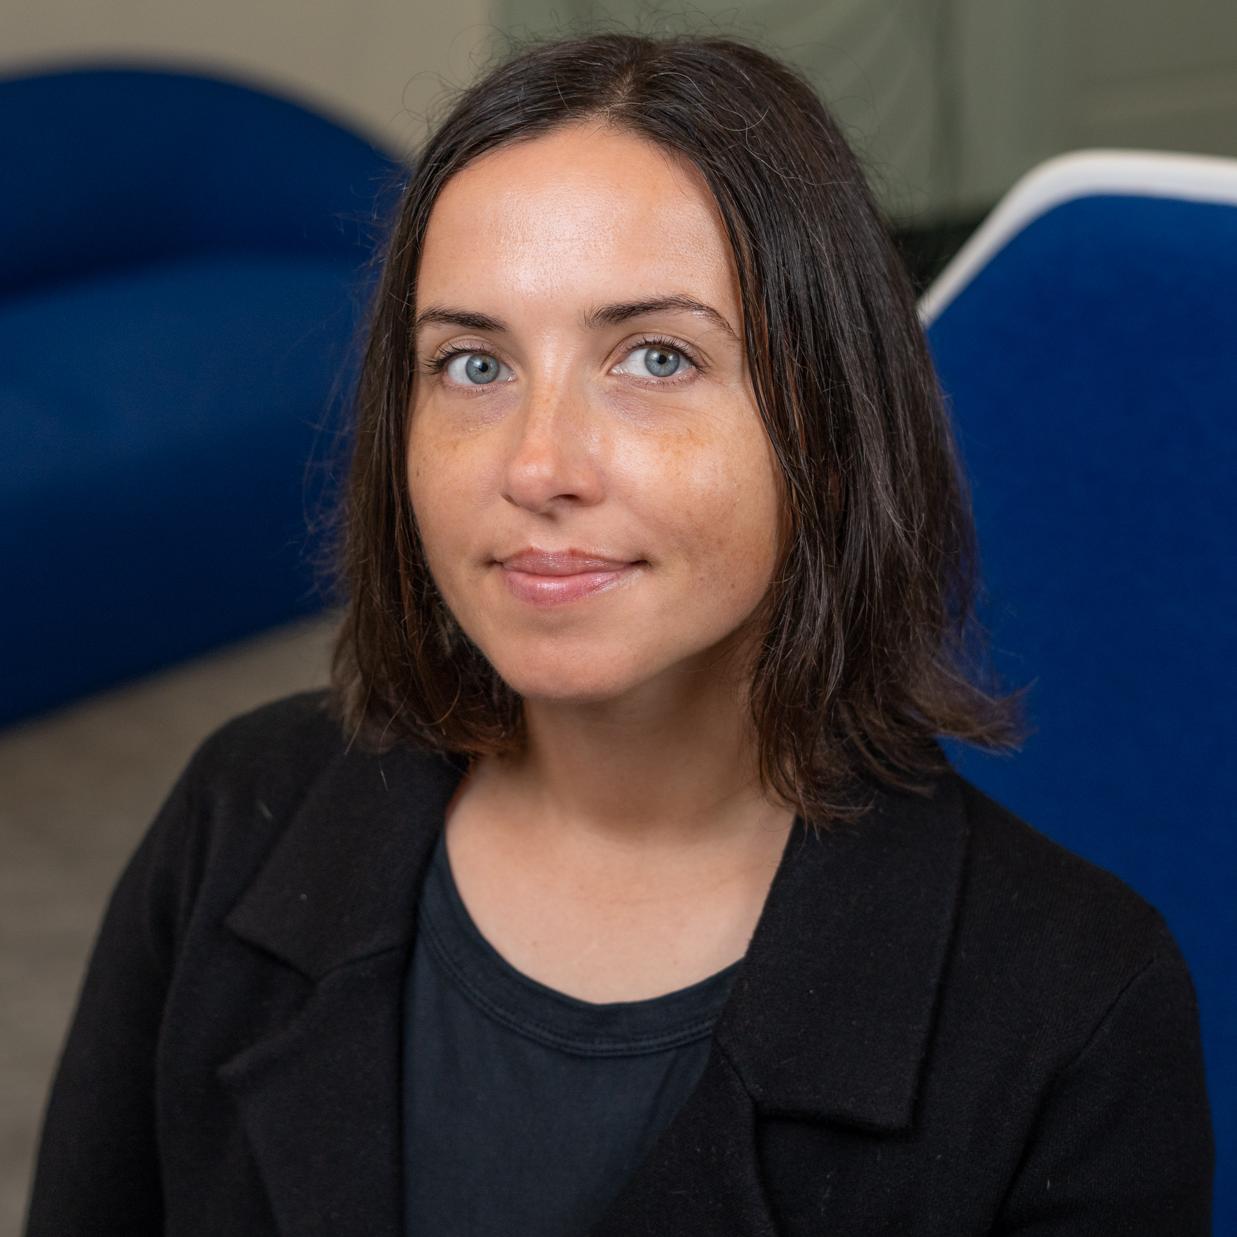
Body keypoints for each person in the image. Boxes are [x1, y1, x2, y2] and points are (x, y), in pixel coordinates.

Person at [25, 30, 1213, 1237]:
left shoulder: (1076, 1004)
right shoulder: (241, 810)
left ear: (835, 422)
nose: (536, 465)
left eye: (655, 356)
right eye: (473, 363)